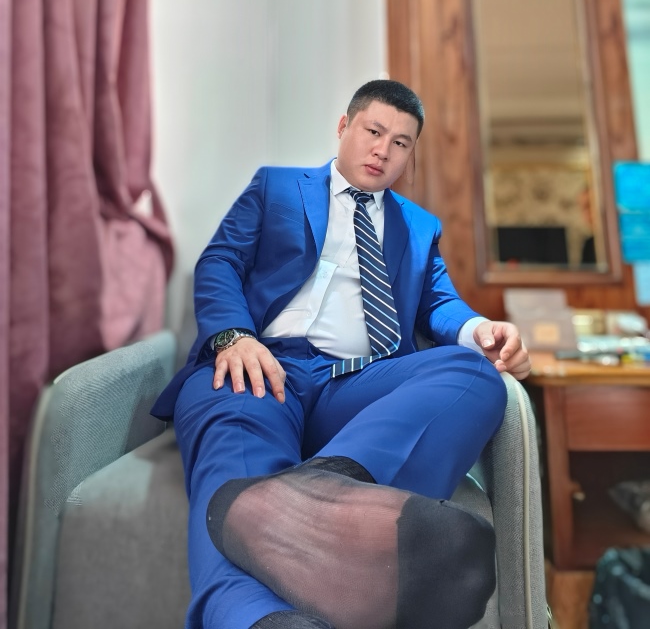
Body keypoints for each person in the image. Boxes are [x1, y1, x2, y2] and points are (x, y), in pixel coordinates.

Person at [152, 79, 531, 629]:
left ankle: (325, 489)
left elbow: (440, 304)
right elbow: (220, 262)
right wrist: (235, 337)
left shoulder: (418, 227)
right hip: (263, 369)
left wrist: (483, 330)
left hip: (358, 388)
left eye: (400, 143)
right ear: (344, 126)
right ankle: (260, 619)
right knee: (237, 468)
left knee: (474, 375)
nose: (383, 150)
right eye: (374, 131)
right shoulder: (277, 187)